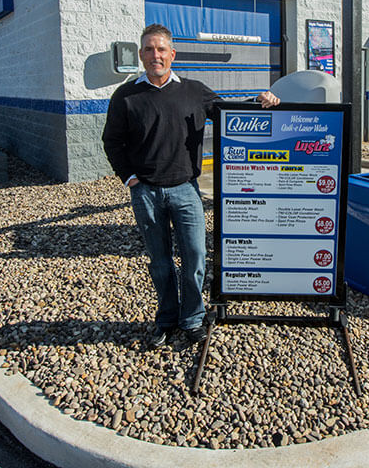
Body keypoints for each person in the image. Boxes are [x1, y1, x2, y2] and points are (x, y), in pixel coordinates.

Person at [102, 23, 279, 347]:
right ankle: (167, 320)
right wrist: (129, 178)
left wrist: (258, 99)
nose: (155, 55)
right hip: (146, 193)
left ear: (172, 54)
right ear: (141, 55)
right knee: (160, 261)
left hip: (186, 189)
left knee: (196, 256)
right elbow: (112, 142)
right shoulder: (126, 96)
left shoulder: (194, 91)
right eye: (149, 49)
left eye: (161, 49)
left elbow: (227, 112)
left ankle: (193, 319)